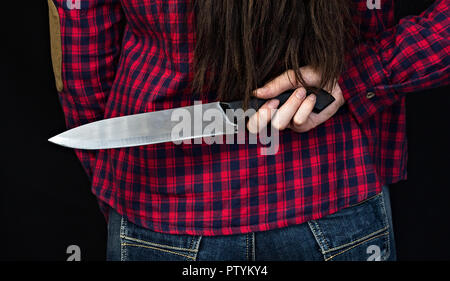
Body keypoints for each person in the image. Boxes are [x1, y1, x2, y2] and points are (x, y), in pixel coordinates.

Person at [47, 0, 449, 261]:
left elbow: (85, 54)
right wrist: (362, 76)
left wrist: (115, 193)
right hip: (335, 196)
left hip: (160, 212)